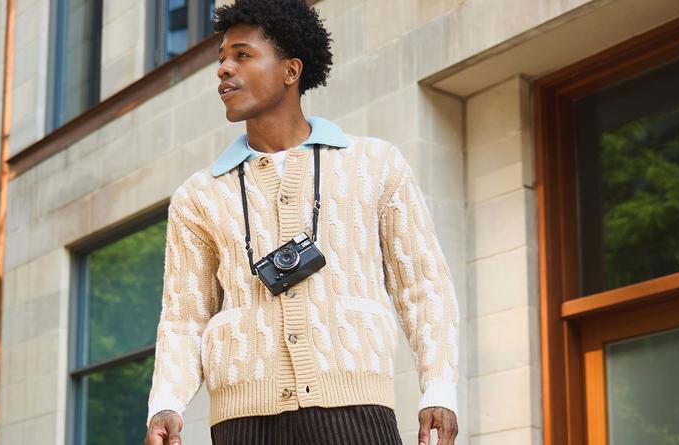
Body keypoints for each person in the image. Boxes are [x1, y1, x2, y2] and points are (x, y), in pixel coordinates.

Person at [145, 1, 459, 444]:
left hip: (356, 414)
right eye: (220, 59)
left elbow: (423, 286)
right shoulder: (198, 197)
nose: (223, 69)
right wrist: (167, 403)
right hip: (243, 424)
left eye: (242, 55)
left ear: (291, 71)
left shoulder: (375, 165)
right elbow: (184, 318)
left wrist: (439, 387)